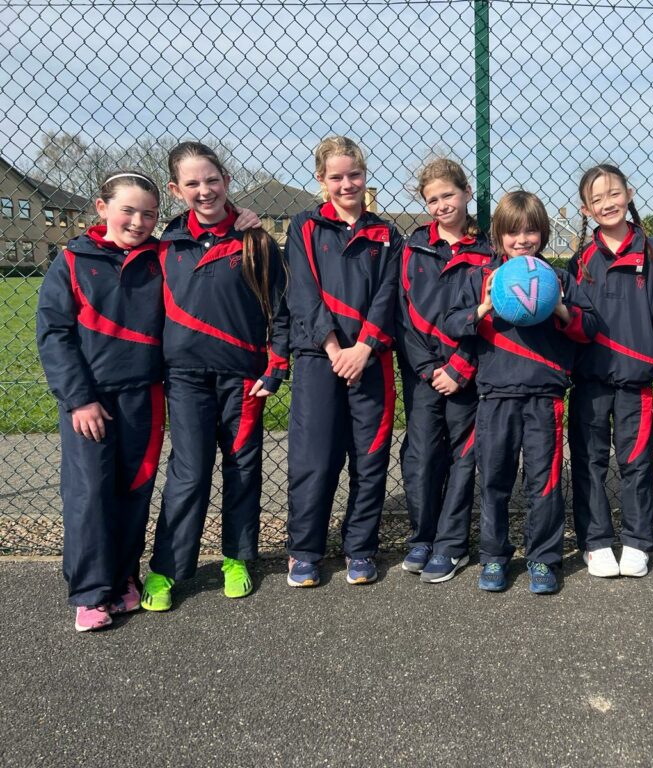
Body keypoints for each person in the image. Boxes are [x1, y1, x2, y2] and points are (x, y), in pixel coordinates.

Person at [142, 142, 288, 611]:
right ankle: (166, 569)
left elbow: (282, 311)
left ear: (226, 179)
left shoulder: (256, 240)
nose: (204, 191)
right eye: (192, 183)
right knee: (188, 472)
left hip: (244, 377)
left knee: (243, 468)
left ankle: (237, 558)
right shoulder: (164, 243)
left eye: (212, 180)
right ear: (174, 189)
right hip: (183, 377)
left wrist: (277, 365)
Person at [443, 190, 597, 594]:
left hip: (544, 398)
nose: (522, 239)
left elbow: (589, 329)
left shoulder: (559, 279)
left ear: (543, 233)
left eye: (531, 231)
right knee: (494, 478)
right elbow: (450, 325)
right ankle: (494, 557)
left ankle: (543, 559)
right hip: (494, 396)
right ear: (499, 235)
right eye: (513, 232)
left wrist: (561, 309)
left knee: (543, 481)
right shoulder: (482, 280)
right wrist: (484, 307)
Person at [37, 170, 165, 631]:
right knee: (89, 494)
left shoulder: (161, 257)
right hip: (90, 400)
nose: (137, 221)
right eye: (128, 210)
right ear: (101, 208)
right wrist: (79, 399)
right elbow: (54, 333)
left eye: (149, 213)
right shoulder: (73, 259)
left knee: (134, 489)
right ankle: (90, 594)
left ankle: (123, 578)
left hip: (145, 396)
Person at [284, 136, 401, 589]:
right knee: (314, 458)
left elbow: (388, 295)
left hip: (370, 360)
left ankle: (360, 548)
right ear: (321, 180)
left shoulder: (387, 233)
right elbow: (303, 293)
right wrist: (335, 349)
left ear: (365, 175)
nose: (347, 183)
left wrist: (364, 348)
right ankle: (305, 552)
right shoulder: (304, 226)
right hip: (320, 358)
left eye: (354, 174)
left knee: (369, 459)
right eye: (336, 176)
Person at [567, 164, 653, 578]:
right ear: (585, 209)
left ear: (629, 193)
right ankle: (595, 543)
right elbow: (572, 317)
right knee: (589, 462)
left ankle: (636, 541)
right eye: (597, 199)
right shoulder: (581, 260)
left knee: (636, 464)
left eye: (614, 193)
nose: (607, 203)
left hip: (635, 382)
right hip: (590, 383)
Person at [396, 159, 494, 583]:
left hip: (466, 374)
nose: (441, 205)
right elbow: (401, 312)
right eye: (432, 199)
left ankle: (452, 544)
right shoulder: (413, 247)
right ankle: (423, 536)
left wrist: (459, 365)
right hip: (422, 374)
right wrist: (427, 366)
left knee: (462, 457)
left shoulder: (488, 252)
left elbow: (491, 319)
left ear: (467, 193)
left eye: (448, 195)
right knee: (420, 456)